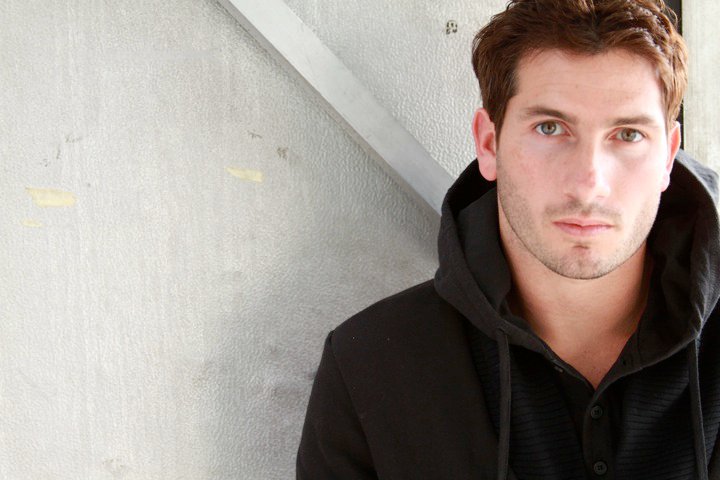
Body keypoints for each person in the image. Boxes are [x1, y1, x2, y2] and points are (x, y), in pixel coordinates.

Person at [296, 0, 720, 478]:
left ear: (668, 156)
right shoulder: (371, 367)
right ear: (489, 143)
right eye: (550, 128)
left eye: (628, 135)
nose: (589, 184)